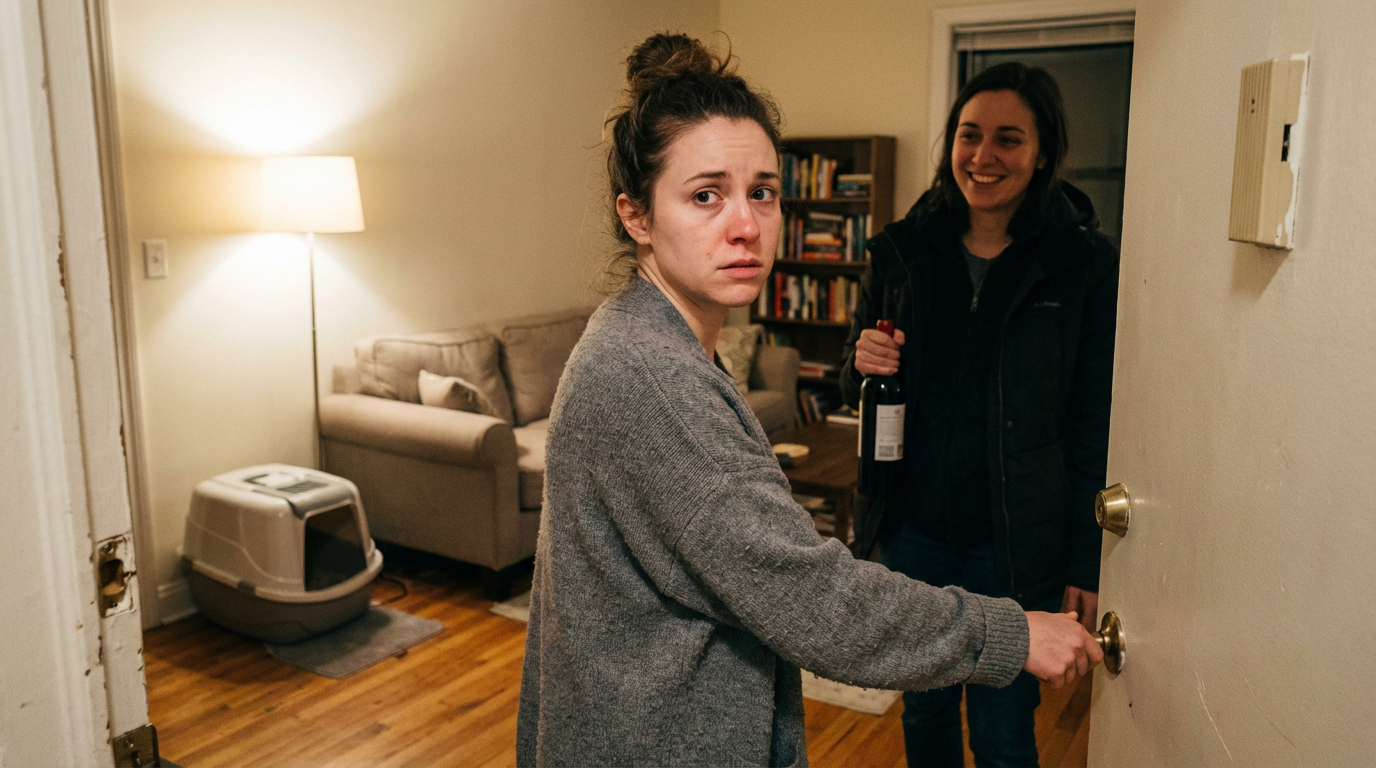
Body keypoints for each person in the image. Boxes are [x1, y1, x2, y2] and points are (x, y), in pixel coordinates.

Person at [516, 35, 1102, 768]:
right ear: (636, 216)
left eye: (761, 191)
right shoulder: (649, 375)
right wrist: (1012, 634)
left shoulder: (647, 337)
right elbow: (812, 600)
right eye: (705, 195)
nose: (746, 224)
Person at [840, 62, 1120, 767]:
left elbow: (1094, 420)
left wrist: (1086, 559)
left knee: (1002, 730)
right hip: (913, 534)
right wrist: (861, 362)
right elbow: (856, 382)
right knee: (925, 709)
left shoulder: (1081, 265)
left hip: (1014, 541)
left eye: (1008, 139)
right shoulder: (901, 252)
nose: (983, 156)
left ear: (1043, 154)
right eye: (969, 135)